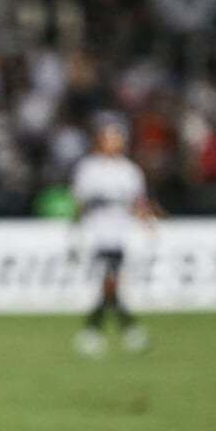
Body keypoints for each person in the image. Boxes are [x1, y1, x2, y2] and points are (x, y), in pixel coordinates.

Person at [71, 122, 155, 357]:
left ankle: (97, 331)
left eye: (117, 139)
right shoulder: (89, 168)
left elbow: (139, 203)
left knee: (110, 284)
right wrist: (76, 231)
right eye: (109, 138)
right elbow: (79, 201)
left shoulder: (130, 171)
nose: (113, 143)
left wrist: (148, 222)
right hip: (96, 233)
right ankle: (126, 330)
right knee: (110, 282)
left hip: (120, 233)